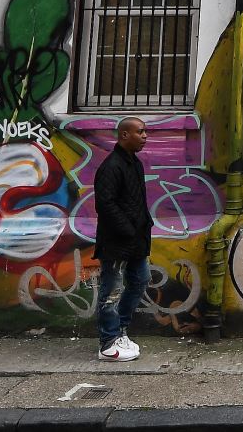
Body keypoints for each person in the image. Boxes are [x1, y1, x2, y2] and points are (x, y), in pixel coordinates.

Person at [93, 116, 152, 363]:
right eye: (140, 132)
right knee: (112, 290)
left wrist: (144, 225)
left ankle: (120, 331)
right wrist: (128, 229)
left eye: (145, 131)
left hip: (136, 241)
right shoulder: (112, 166)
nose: (145, 136)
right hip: (117, 242)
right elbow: (105, 204)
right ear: (124, 135)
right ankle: (108, 343)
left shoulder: (134, 164)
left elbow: (136, 201)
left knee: (140, 280)